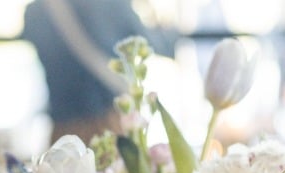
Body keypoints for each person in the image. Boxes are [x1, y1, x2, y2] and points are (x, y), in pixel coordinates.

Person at [21, 0, 172, 143]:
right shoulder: (112, 4)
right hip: (110, 126)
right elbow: (158, 46)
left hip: (62, 132)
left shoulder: (36, 11)